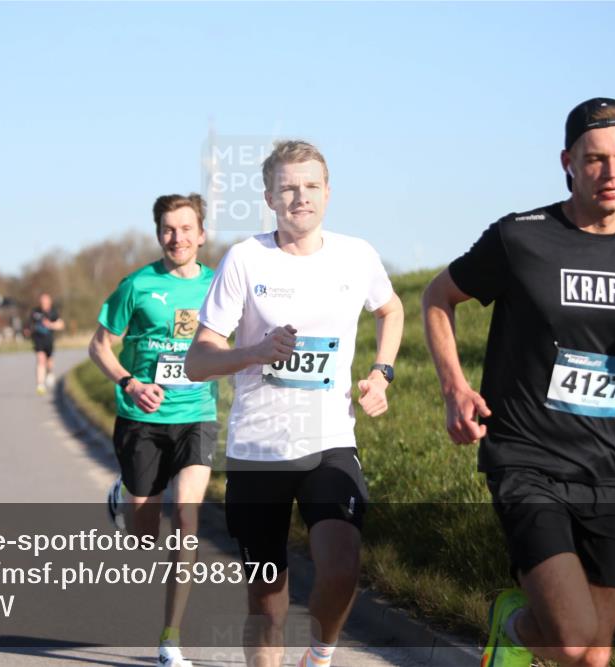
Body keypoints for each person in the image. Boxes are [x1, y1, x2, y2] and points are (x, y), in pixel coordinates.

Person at [421, 98, 615, 667]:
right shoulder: (521, 238)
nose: (610, 172)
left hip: (613, 466)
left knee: (594, 655)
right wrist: (454, 388)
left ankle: (521, 632)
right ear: (568, 162)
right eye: (595, 159)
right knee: (571, 640)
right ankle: (513, 627)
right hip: (527, 458)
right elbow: (437, 297)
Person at [185, 140, 404, 667]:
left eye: (310, 186)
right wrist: (254, 352)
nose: (300, 197)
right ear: (269, 198)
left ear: (327, 192)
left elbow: (390, 310)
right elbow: (197, 361)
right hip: (258, 450)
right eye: (287, 188)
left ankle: (319, 656)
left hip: (330, 441)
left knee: (342, 568)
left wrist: (381, 373)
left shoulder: (357, 255)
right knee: (267, 602)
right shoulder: (245, 259)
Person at [88, 193, 218, 667]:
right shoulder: (137, 285)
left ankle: (170, 639)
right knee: (144, 537)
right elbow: (99, 346)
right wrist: (130, 382)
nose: (176, 238)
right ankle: (125, 491)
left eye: (185, 229)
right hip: (141, 418)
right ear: (158, 234)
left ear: (201, 235)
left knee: (186, 517)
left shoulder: (219, 285)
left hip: (196, 415)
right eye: (168, 229)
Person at [29, 293, 65, 394]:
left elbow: (61, 325)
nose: (43, 304)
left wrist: (50, 325)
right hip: (38, 340)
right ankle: (40, 385)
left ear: (49, 302)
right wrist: (28, 330)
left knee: (49, 361)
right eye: (42, 302)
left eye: (45, 302)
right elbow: (29, 324)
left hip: (49, 340)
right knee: (40, 360)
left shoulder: (53, 312)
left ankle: (49, 373)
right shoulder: (35, 312)